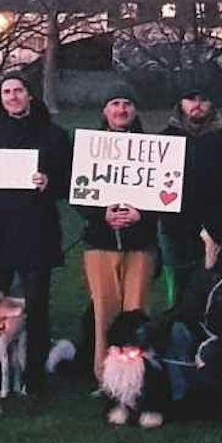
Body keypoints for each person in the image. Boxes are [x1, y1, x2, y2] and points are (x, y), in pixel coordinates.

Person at [0, 73, 72, 390]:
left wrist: (50, 183)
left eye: (18, 91)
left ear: (30, 96)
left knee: (37, 307)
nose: (12, 96)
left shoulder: (53, 136)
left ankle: (33, 374)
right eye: (6, 91)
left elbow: (71, 181)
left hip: (37, 232)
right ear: (1, 98)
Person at [75, 84, 159, 382]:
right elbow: (80, 195)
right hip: (101, 243)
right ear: (105, 110)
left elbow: (165, 192)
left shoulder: (152, 148)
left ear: (134, 109)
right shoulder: (90, 147)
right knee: (104, 311)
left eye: (127, 103)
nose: (121, 110)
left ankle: (136, 374)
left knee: (136, 310)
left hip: (140, 243)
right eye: (115, 104)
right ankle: (105, 376)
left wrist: (143, 213)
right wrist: (103, 214)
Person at [159, 84, 222, 310]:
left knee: (217, 299)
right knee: (179, 300)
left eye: (203, 99)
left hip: (220, 234)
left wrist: (220, 230)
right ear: (181, 103)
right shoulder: (165, 140)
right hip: (177, 234)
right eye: (191, 98)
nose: (197, 105)